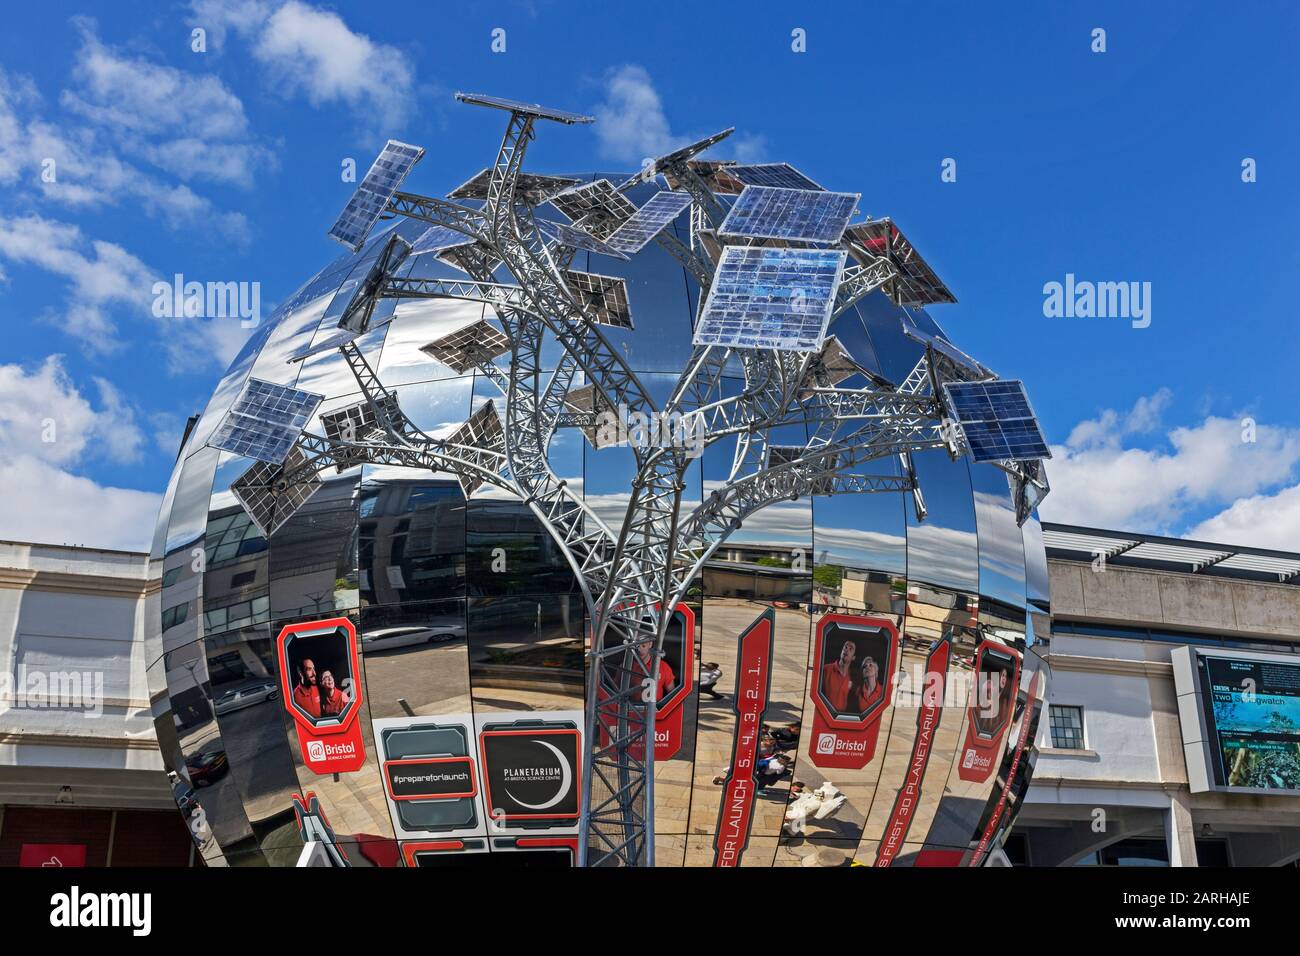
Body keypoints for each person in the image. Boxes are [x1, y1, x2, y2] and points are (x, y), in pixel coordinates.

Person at [821, 639, 856, 712]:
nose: (846, 650)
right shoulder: (826, 669)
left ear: (853, 657)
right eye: (845, 647)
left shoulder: (853, 679)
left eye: (850, 649)